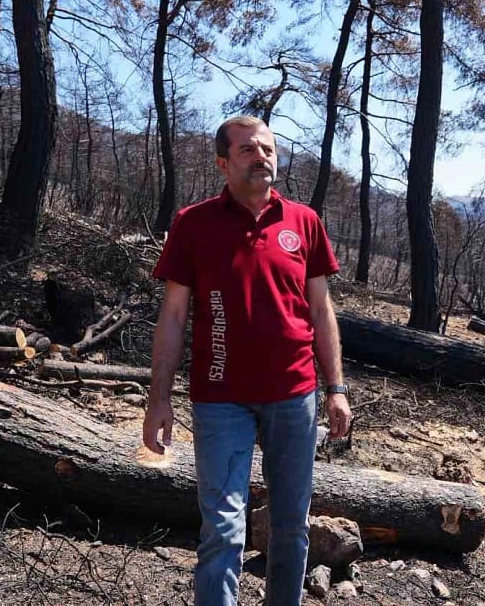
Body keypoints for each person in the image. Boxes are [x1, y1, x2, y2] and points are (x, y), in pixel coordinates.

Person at [143, 115, 352, 606]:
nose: (262, 157)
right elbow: (173, 315)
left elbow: (321, 309)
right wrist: (158, 399)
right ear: (223, 163)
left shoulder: (303, 222)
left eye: (268, 149)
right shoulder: (194, 224)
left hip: (294, 395)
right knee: (222, 529)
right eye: (247, 150)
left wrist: (336, 388)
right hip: (220, 397)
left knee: (291, 526)